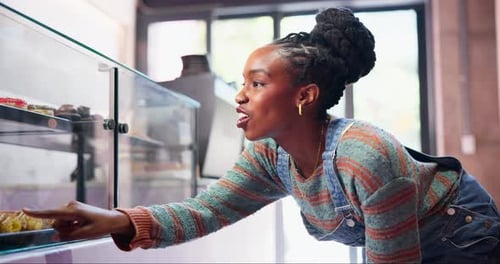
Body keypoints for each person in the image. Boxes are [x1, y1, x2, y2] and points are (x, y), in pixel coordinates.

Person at [24, 7, 500, 263]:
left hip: (463, 234)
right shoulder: (272, 157)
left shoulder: (366, 156)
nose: (240, 96)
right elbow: (206, 210)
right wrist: (114, 220)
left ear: (304, 95)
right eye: (243, 83)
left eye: (256, 83)